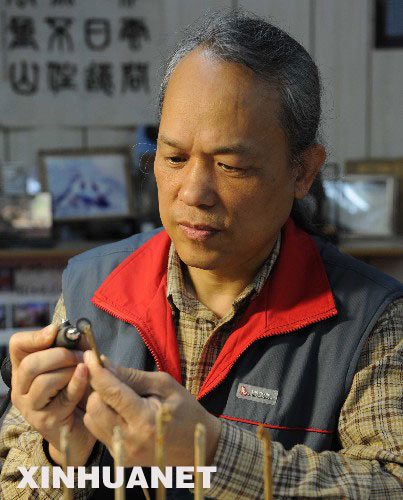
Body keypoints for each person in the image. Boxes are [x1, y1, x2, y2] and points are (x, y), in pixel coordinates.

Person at [1, 10, 402, 499]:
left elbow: (391, 483)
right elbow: (14, 483)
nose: (193, 192)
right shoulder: (92, 289)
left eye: (230, 166)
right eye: (174, 158)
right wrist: (63, 453)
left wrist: (212, 454)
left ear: (303, 171)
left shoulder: (371, 321)